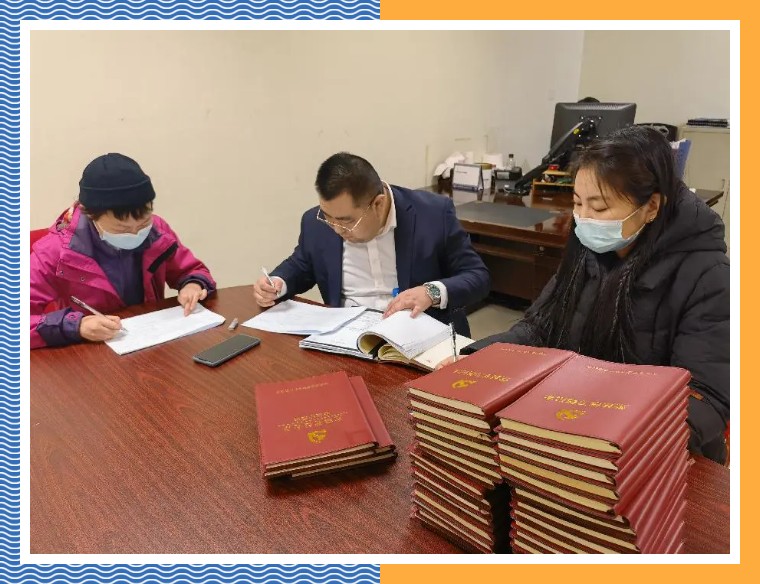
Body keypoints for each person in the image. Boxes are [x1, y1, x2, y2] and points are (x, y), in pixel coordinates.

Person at [457, 126, 730, 463]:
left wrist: (616, 436)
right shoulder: (587, 252)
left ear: (651, 206)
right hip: (574, 425)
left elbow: (705, 397)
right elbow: (538, 328)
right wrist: (478, 360)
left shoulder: (708, 275)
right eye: (577, 203)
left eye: (599, 209)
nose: (583, 219)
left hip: (651, 453)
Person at [253, 152, 490, 335]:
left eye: (346, 221)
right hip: (348, 338)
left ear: (378, 204)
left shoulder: (433, 213)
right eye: (328, 217)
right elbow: (301, 265)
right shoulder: (316, 222)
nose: (336, 229)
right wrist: (277, 283)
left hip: (421, 337)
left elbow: (477, 276)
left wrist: (432, 292)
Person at [31, 153, 216, 349]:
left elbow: (190, 270)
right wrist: (76, 326)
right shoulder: (56, 252)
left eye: (143, 223)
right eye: (121, 229)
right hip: (92, 353)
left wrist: (193, 284)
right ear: (90, 213)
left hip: (149, 343)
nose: (136, 233)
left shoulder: (157, 231)